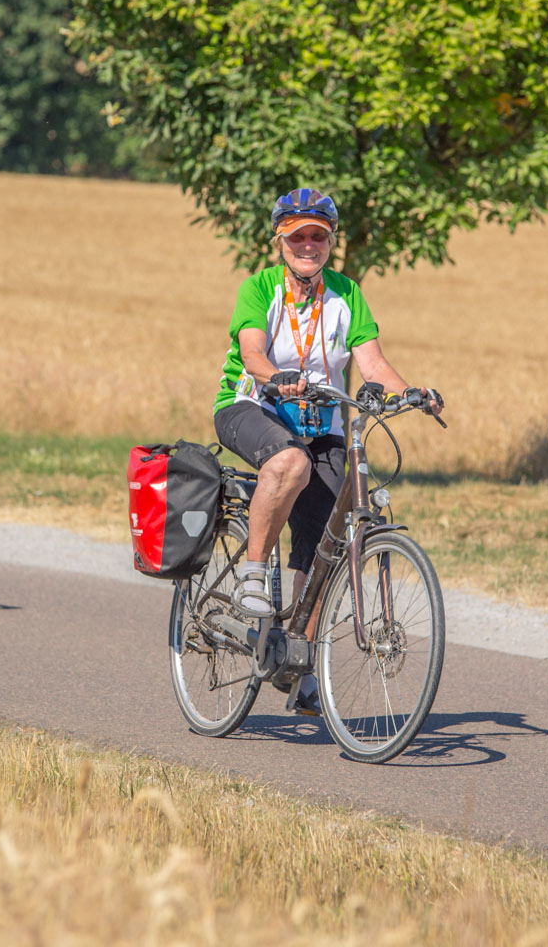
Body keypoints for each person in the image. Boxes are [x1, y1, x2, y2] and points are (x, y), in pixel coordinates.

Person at [211, 188, 443, 715]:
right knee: (289, 462)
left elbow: (372, 363)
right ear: (280, 241)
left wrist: (411, 392)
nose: (308, 245)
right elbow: (251, 352)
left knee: (331, 538)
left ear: (331, 241)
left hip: (321, 422)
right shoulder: (260, 288)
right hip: (252, 407)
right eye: (298, 236)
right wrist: (277, 376)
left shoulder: (346, 294)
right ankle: (252, 576)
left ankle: (300, 659)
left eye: (318, 236)